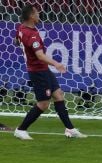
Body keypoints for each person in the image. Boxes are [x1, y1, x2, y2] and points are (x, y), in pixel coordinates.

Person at [14, 4, 87, 140]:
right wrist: (56, 64)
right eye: (36, 13)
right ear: (31, 16)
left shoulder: (21, 29)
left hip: (43, 69)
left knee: (58, 95)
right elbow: (40, 55)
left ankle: (70, 129)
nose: (39, 14)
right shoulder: (32, 34)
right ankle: (21, 129)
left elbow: (16, 41)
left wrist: (25, 49)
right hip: (38, 71)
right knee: (43, 103)